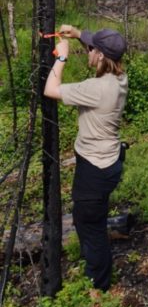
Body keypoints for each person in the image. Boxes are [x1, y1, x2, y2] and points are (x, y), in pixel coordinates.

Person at [44, 25, 128, 292]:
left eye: (91, 49)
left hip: (94, 170)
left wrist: (62, 57)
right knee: (94, 221)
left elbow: (51, 89)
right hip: (109, 162)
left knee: (90, 229)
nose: (87, 52)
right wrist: (79, 35)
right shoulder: (119, 78)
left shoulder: (96, 88)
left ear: (101, 56)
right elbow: (98, 50)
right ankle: (98, 277)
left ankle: (98, 289)